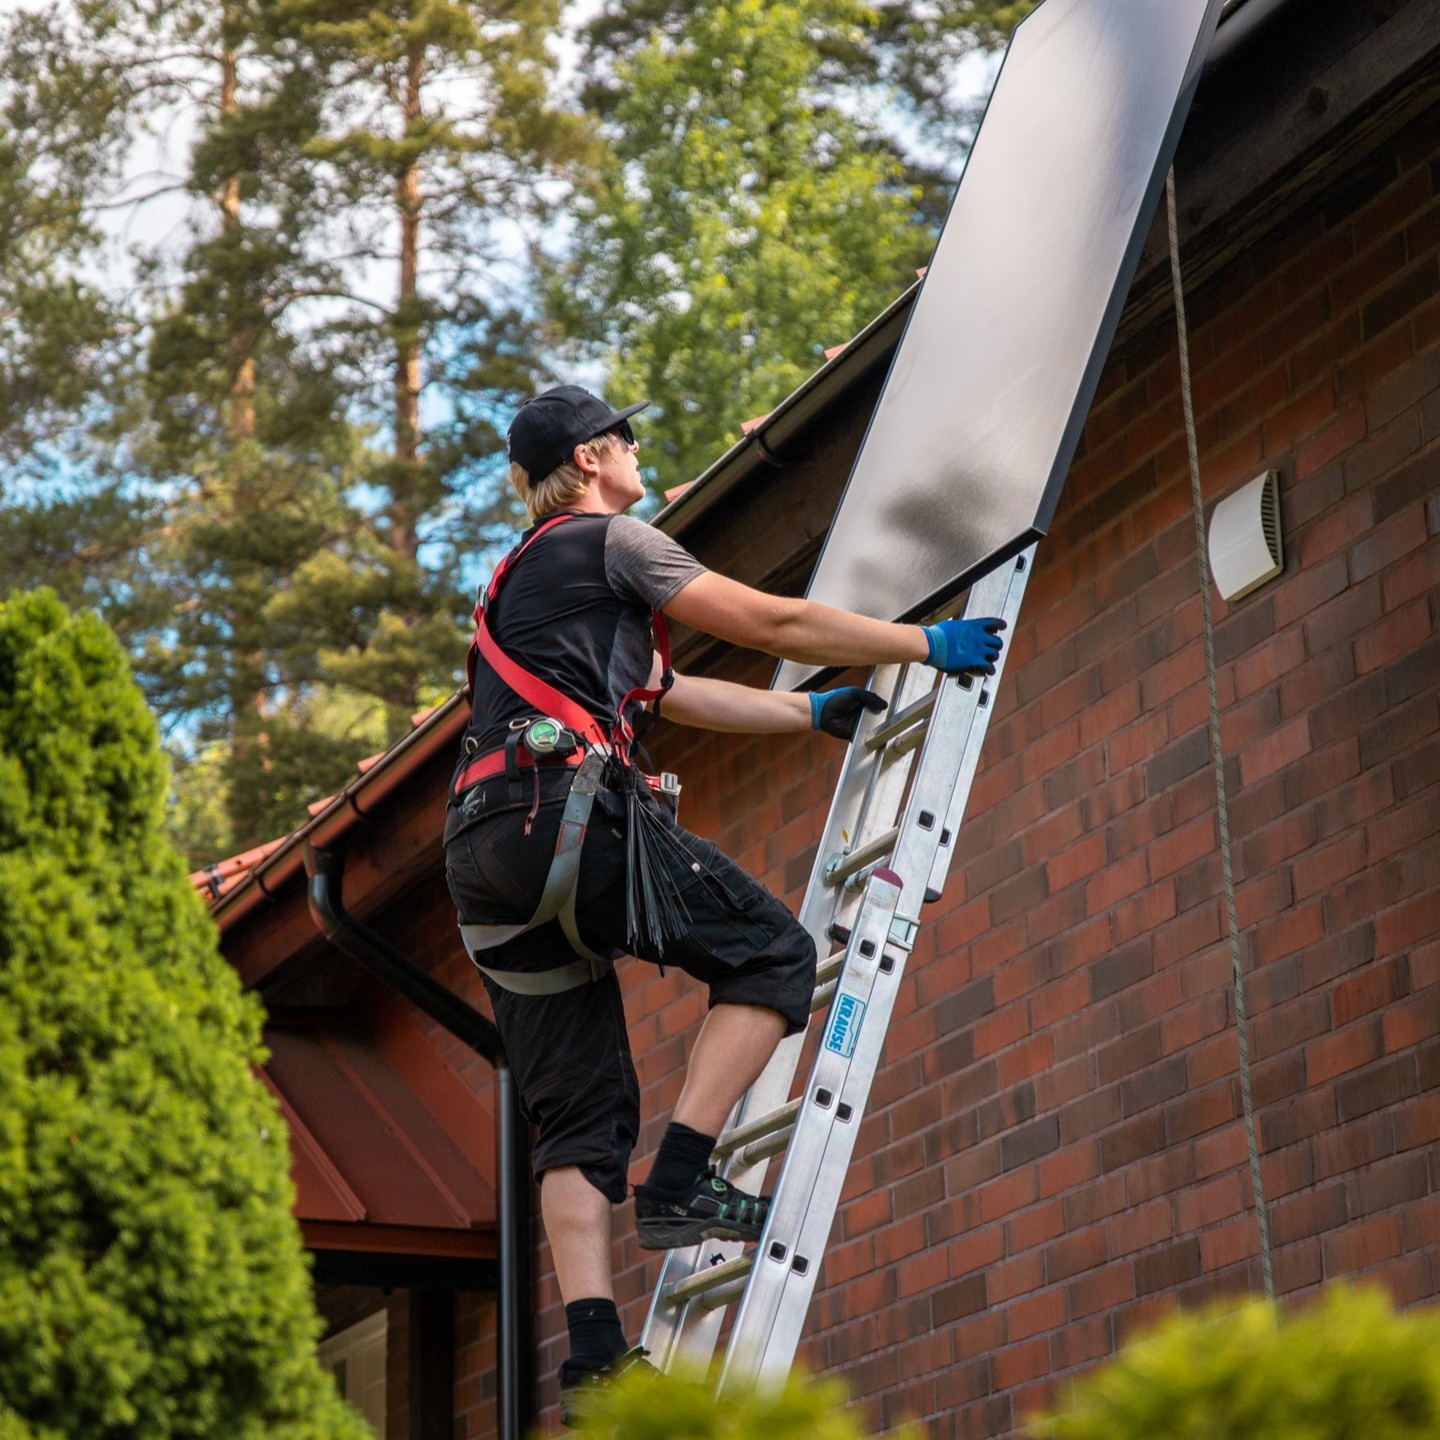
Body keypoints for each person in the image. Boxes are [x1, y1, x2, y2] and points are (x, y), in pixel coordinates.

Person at [444, 385, 1005, 1420]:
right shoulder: (614, 543)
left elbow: (678, 694)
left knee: (577, 1119)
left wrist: (808, 713)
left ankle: (597, 1357)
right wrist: (922, 646)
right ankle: (685, 1178)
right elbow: (767, 617)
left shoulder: (520, 589)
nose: (641, 448)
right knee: (773, 957)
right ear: (594, 456)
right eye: (627, 438)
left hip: (484, 860)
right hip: (563, 817)